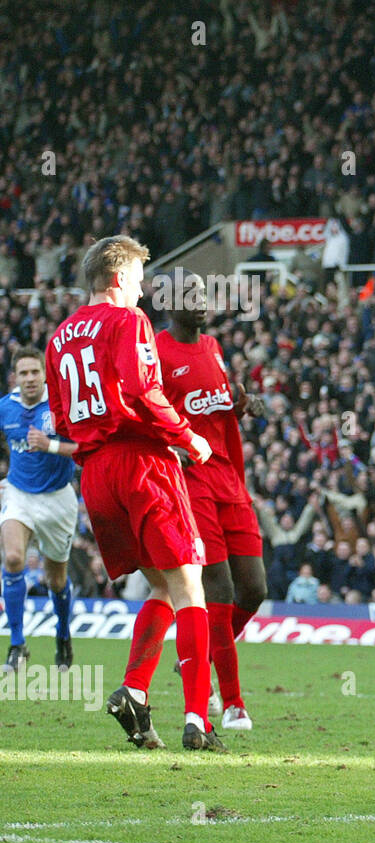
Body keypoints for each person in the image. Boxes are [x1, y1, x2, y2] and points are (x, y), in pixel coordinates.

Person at [44, 235, 224, 752]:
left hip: (96, 476)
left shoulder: (59, 339)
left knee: (161, 588)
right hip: (142, 464)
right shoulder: (127, 322)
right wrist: (186, 436)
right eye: (140, 281)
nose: (143, 292)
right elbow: (143, 388)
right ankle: (198, 719)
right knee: (192, 588)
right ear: (120, 278)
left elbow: (61, 417)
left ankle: (136, 691)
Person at [157, 269, 268, 732]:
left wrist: (242, 404)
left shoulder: (214, 348)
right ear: (169, 303)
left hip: (228, 476)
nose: (202, 301)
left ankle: (198, 656)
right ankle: (234, 702)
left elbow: (217, 405)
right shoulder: (159, 353)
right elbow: (146, 411)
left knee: (255, 589)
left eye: (203, 293)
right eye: (191, 294)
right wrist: (172, 448)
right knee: (218, 589)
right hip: (192, 479)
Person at [0, 348, 78, 674]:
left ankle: (63, 635)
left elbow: (86, 447)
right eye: (24, 373)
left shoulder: (60, 405)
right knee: (14, 558)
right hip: (19, 493)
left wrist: (51, 445)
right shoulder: (6, 407)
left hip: (58, 499)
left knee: (54, 579)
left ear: (45, 375)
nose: (30, 378)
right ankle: (17, 645)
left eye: (35, 372)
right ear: (15, 377)